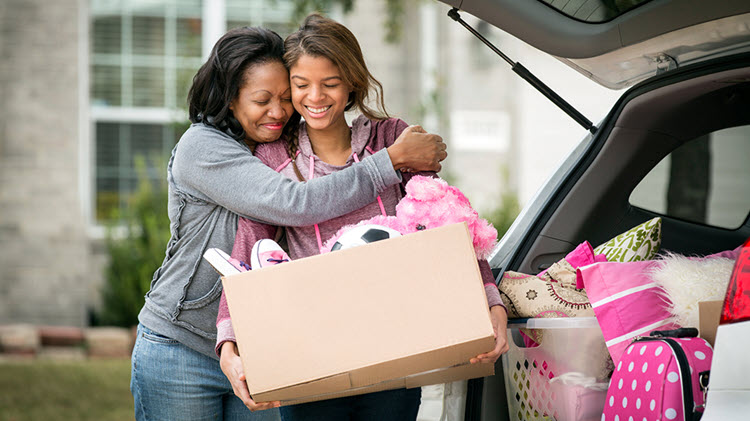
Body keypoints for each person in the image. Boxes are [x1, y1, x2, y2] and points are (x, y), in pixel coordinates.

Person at [129, 26, 447, 421]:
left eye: (284, 97)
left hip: (260, 344)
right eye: (262, 100)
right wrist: (391, 160)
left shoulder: (277, 148)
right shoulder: (203, 148)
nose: (278, 111)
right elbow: (293, 203)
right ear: (229, 100)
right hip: (183, 347)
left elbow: (442, 216)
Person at [215, 14, 509, 421]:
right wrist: (229, 345)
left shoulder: (391, 139)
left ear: (352, 81)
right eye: (301, 85)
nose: (315, 97)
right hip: (312, 357)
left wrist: (491, 302)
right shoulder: (274, 158)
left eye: (330, 84)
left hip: (398, 346)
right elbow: (245, 253)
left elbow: (447, 221)